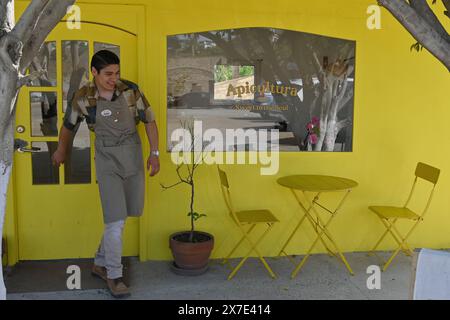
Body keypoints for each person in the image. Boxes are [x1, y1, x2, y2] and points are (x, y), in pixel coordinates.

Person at [51, 50, 160, 298]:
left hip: (132, 155)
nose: (114, 78)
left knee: (125, 214)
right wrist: (60, 150)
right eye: (108, 74)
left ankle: (100, 262)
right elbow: (68, 127)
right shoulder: (83, 97)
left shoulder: (131, 90)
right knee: (115, 220)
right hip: (106, 159)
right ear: (94, 73)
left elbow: (150, 121)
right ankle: (114, 275)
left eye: (117, 72)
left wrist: (154, 153)